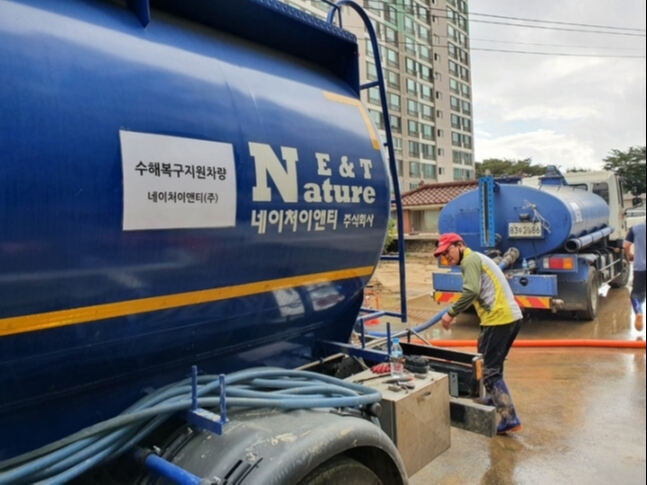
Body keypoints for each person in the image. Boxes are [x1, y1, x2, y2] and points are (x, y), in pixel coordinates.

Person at [434, 233, 523, 435]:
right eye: (443, 254)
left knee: (490, 371)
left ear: (459, 245)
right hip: (504, 318)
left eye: (447, 251)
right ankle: (494, 398)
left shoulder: (470, 260)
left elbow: (471, 291)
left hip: (500, 319)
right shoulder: (475, 259)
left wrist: (450, 313)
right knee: (488, 362)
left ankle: (510, 418)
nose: (446, 257)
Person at [623, 221, 646, 331]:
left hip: (640, 267)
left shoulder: (636, 228)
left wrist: (629, 256)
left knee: (636, 295)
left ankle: (639, 312)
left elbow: (626, 245)